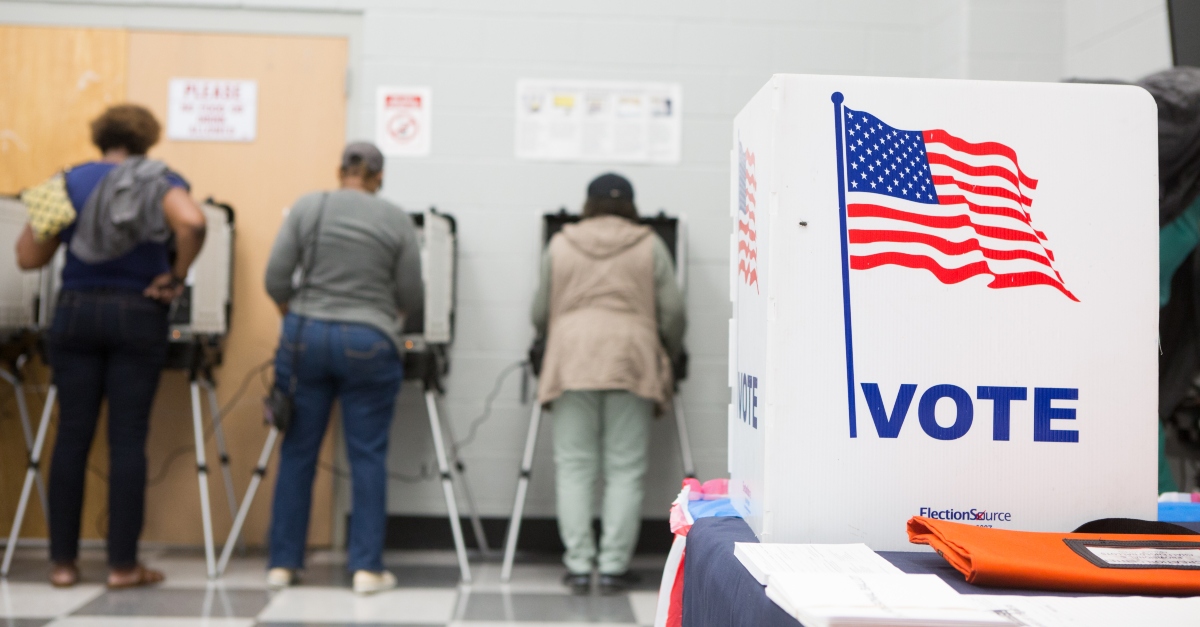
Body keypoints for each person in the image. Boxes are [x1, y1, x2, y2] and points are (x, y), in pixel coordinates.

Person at [15, 104, 207, 588]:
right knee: (127, 441)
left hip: (76, 312)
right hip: (139, 312)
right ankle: (123, 566)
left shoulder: (67, 180)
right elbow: (194, 224)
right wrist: (175, 276)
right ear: (148, 139)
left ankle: (62, 565)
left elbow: (26, 256)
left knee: (71, 438)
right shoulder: (161, 179)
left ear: (100, 137)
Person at [263, 142, 423, 595]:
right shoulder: (394, 218)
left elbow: (275, 278)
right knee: (367, 455)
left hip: (304, 337)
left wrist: (297, 318)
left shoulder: (309, 207)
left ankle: (283, 564)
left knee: (297, 450)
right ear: (379, 176)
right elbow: (412, 295)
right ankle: (367, 569)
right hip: (369, 340)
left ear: (340, 171)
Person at [531, 173, 686, 594]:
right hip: (630, 358)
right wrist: (671, 352)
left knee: (574, 466)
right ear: (631, 206)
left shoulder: (561, 242)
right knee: (625, 468)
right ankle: (614, 566)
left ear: (588, 203)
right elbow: (672, 311)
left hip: (571, 358)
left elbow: (540, 310)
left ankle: (580, 565)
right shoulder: (649, 244)